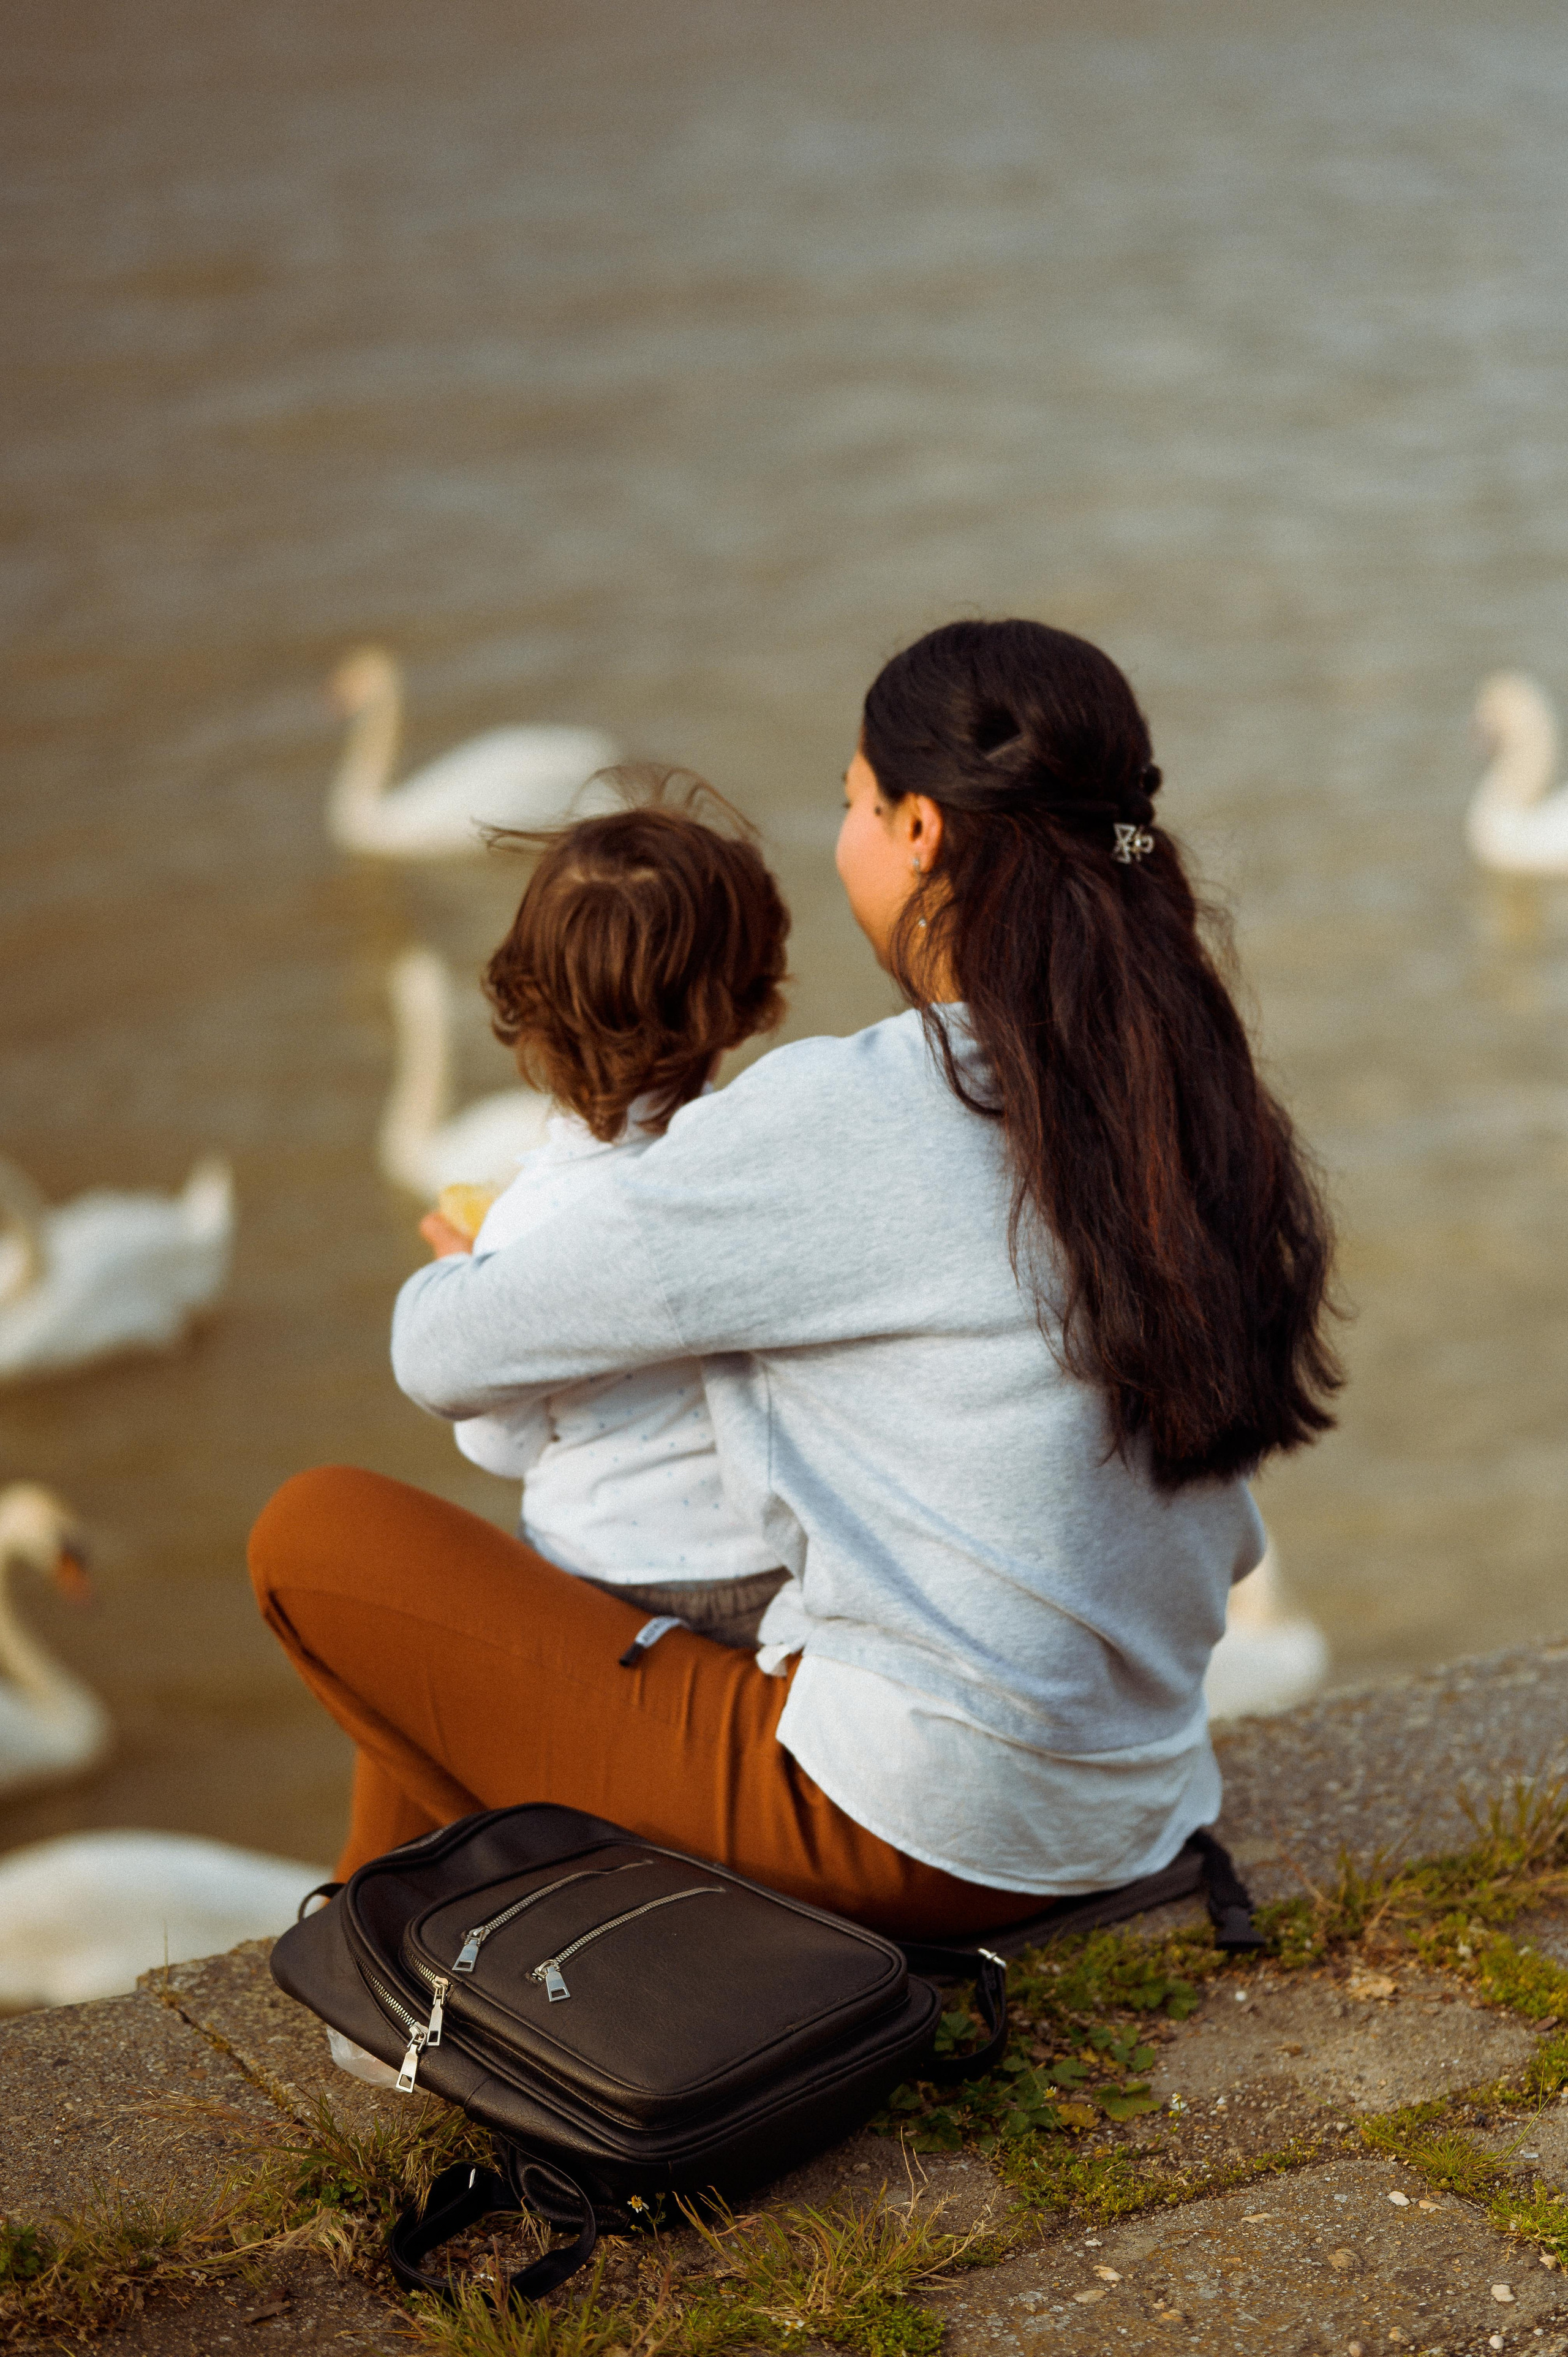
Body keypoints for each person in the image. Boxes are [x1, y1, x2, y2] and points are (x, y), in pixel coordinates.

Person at [251, 617, 1339, 1939]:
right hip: (1139, 1797)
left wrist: (477, 1265)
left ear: (920, 831)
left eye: (852, 804)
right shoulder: (1181, 1086)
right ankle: (402, 1965)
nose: (844, 838)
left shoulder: (857, 1109)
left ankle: (397, 1973)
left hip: (914, 1827)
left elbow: (445, 1355)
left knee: (320, 1536)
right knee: (471, 1625)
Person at [441, 770, 793, 1649]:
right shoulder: (773, 1170)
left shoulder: (525, 1226)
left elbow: (500, 1449)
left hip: (604, 1589)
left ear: (526, 1008)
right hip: (777, 1581)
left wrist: (465, 1282)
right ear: (746, 1004)